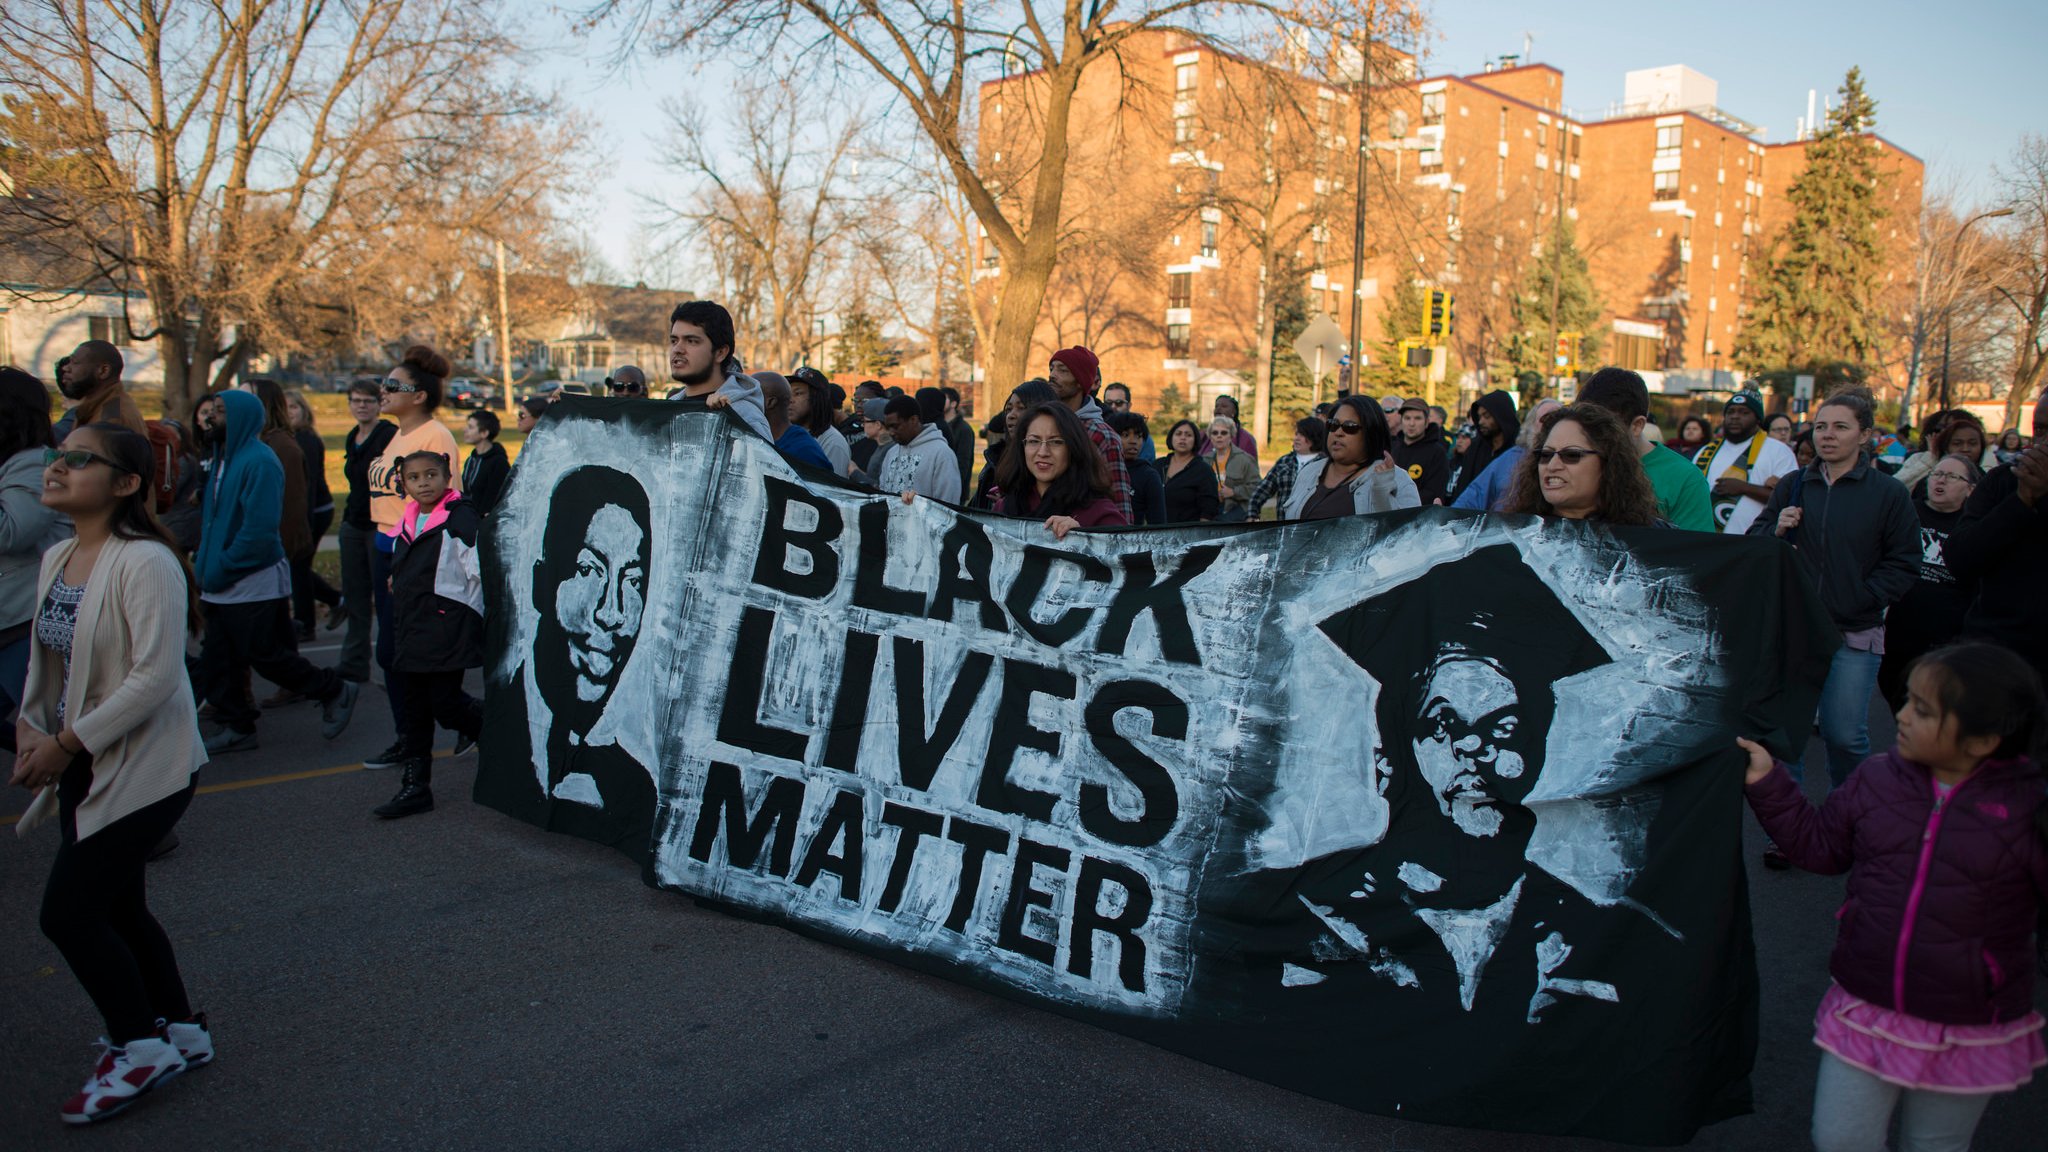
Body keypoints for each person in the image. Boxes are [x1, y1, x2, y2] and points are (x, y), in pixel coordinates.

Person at [1738, 643, 2047, 1152]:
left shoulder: (2028, 811)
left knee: (1937, 1147)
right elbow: (1819, 847)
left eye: (1922, 710)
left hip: (1969, 1023)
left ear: (1984, 739)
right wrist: (1768, 782)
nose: (1899, 716)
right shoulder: (1877, 779)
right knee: (1840, 1139)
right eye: (1906, 701)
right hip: (1868, 1005)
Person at [13, 422, 211, 1125]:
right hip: (83, 760)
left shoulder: (145, 561)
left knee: (68, 914)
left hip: (144, 767)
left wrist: (66, 742)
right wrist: (32, 729)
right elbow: (53, 666)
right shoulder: (59, 555)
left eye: (79, 458)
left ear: (126, 484)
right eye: (56, 455)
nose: (58, 467)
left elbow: (155, 676)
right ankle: (181, 1030)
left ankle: (138, 1046)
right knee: (122, 908)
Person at [473, 466, 656, 857]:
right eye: (588, 570)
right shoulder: (510, 728)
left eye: (633, 580)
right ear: (542, 583)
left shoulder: (635, 781)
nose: (612, 612)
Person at [1751, 393, 1919, 807]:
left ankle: (1853, 815)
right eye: (1821, 426)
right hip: (1795, 630)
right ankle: (1786, 826)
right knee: (1787, 735)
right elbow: (1754, 544)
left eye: (1840, 427)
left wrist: (1866, 599)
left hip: (1854, 631)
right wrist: (1776, 529)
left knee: (1844, 736)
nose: (1827, 435)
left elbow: (1905, 562)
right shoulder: (1793, 485)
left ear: (1865, 435)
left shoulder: (1888, 493)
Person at [193, 390, 361, 754]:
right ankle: (238, 725)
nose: (211, 418)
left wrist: (222, 567)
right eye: (211, 411)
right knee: (218, 658)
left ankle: (333, 688)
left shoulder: (260, 461)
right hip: (217, 580)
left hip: (249, 579)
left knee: (265, 654)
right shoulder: (222, 458)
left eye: (220, 412)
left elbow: (258, 530)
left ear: (243, 418)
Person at [361, 346, 462, 771]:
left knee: (400, 652)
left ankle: (459, 724)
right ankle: (409, 737)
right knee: (391, 652)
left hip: (414, 554)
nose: (383, 390)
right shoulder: (395, 436)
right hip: (384, 546)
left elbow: (443, 504)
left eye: (393, 385)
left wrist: (412, 561)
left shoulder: (434, 437)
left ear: (418, 395)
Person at [374, 451, 485, 819]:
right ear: (403, 484)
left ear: (447, 475)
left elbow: (479, 569)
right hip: (410, 625)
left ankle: (489, 729)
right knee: (414, 708)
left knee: (445, 704)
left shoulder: (459, 516)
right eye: (414, 477)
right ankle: (415, 786)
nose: (424, 483)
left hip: (443, 625)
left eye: (431, 475)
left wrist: (471, 611)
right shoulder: (408, 519)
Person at [1943, 394, 2048, 685]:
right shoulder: (2003, 480)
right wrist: (2023, 499)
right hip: (1995, 652)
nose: (2042, 442)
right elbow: (1959, 558)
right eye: (2039, 430)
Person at [0, 368, 71, 753]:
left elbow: (13, 530)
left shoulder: (33, 462)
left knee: (48, 723)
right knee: (42, 728)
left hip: (24, 617)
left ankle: (67, 774)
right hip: (10, 616)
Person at [1877, 454, 1979, 714]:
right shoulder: (1908, 512)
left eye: (1952, 476)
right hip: (1900, 624)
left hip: (1950, 633)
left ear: (1970, 489)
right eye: (1937, 474)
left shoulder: (1975, 526)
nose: (1941, 480)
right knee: (1894, 689)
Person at [1575, 368, 1714, 531]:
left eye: (1602, 429)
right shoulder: (1567, 460)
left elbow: (1695, 551)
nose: (1589, 437)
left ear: (1637, 425)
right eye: (1583, 426)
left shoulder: (1686, 479)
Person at [1500, 404, 1661, 526]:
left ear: (1609, 464)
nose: (1552, 465)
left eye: (1571, 455)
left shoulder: (1651, 542)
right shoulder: (1508, 536)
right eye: (1545, 455)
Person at [986, 403, 1130, 538]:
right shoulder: (1004, 508)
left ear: (1074, 448)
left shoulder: (1100, 513)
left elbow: (1122, 559)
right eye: (1034, 441)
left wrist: (1084, 538)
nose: (1043, 452)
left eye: (1056, 442)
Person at [336, 381, 396, 684]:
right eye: (356, 400)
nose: (362, 405)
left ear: (379, 403)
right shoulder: (352, 437)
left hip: (379, 527)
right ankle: (353, 666)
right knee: (355, 597)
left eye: (368, 400)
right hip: (353, 523)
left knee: (386, 600)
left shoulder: (388, 435)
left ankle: (392, 665)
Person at [1283, 397, 1419, 520]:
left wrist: (1382, 490)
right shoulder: (1309, 472)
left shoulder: (1398, 479)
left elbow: (1406, 536)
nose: (1338, 432)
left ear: (1371, 433)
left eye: (1350, 427)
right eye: (1333, 424)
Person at [1045, 346, 1133, 522]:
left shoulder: (1103, 436)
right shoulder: (1040, 425)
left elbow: (1120, 502)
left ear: (1080, 381)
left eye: (1062, 370)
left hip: (1079, 535)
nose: (1053, 375)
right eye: (1052, 368)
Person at [1694, 390, 1800, 535]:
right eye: (1731, 412)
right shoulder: (1706, 452)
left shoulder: (1779, 451)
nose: (1735, 417)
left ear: (1757, 419)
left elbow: (1789, 498)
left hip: (1755, 541)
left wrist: (1745, 488)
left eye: (1744, 412)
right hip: (1707, 540)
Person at [664, 300, 771, 439]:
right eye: (674, 341)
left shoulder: (743, 416)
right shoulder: (668, 411)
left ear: (720, 352)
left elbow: (762, 460)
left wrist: (729, 421)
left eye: (691, 341)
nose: (677, 349)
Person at [285, 389, 340, 641]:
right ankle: (337, 599)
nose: (289, 412)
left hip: (315, 510)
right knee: (297, 568)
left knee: (298, 567)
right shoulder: (288, 437)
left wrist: (303, 524)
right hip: (304, 511)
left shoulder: (305, 439)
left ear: (304, 411)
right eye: (284, 407)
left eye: (294, 407)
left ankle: (305, 625)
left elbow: (307, 484)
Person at [1451, 397, 1560, 513]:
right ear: (1531, 426)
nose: (1553, 424)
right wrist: (1446, 518)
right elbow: (1474, 496)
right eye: (1546, 418)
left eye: (1558, 418)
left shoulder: (1573, 461)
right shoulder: (1511, 459)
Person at [973, 382, 1058, 510]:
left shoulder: (1051, 460)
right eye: (1008, 409)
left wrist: (1009, 504)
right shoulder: (997, 456)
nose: (1011, 415)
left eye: (1021, 408)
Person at [872, 395, 962, 502]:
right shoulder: (892, 452)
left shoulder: (941, 454)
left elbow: (949, 503)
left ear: (913, 420)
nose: (891, 432)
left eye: (895, 426)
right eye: (888, 427)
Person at [55, 341, 147, 436]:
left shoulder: (111, 417)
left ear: (103, 371)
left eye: (75, 362)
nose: (65, 368)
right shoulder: (103, 404)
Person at [1894, 411, 1993, 495]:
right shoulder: (1919, 458)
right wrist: (1931, 459)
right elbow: (1893, 489)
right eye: (1940, 429)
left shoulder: (1987, 460)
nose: (1965, 448)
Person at [1446, 390, 1520, 505]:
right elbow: (1464, 486)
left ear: (1501, 415)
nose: (1481, 422)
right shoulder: (1476, 447)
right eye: (1479, 417)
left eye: (1486, 416)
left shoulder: (1518, 449)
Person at [756, 371, 834, 472]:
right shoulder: (763, 436)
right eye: (790, 393)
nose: (791, 399)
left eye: (798, 393)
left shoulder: (806, 451)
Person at [1248, 416, 1324, 520]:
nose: (1297, 438)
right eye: (1296, 434)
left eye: (1302, 435)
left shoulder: (1325, 464)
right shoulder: (1284, 462)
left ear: (1314, 437)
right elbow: (1262, 490)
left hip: (1312, 526)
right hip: (1283, 526)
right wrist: (1252, 514)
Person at [1107, 410, 1166, 526]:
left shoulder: (1149, 476)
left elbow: (1159, 523)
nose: (1133, 441)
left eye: (1138, 436)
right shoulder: (1100, 470)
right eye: (1125, 435)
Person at [788, 366, 850, 475]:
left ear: (817, 398)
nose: (790, 400)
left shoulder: (833, 442)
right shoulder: (788, 435)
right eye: (788, 394)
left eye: (798, 393)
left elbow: (833, 489)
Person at [1389, 397, 1450, 505]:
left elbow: (1434, 492)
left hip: (1419, 515)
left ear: (1426, 423)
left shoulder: (1437, 453)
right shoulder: (1392, 448)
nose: (1411, 424)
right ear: (1401, 421)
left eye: (1417, 418)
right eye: (1407, 418)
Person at [1159, 419, 1220, 523]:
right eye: (1178, 434)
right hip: (1154, 531)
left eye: (1188, 435)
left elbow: (1209, 508)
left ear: (1195, 440)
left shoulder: (1203, 470)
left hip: (1187, 532)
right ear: (1171, 438)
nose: (1183, 438)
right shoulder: (1158, 465)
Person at [1208, 416, 1260, 522]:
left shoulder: (1245, 459)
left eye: (1224, 433)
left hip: (1234, 516)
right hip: (1210, 513)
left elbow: (1258, 488)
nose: (1219, 436)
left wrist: (1234, 492)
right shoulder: (1204, 459)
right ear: (1210, 437)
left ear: (1231, 435)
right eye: (1215, 433)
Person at [459, 409, 511, 515]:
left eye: (470, 427)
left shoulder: (498, 463)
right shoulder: (471, 460)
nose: (465, 430)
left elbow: (495, 499)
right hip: (468, 520)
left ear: (484, 433)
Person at [938, 386, 976, 496]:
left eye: (944, 399)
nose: (940, 402)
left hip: (956, 491)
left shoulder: (964, 429)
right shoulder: (938, 426)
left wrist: (954, 487)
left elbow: (963, 463)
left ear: (953, 404)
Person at [1102, 382, 1155, 461]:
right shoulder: (1098, 428)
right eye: (1108, 403)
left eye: (1119, 403)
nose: (1113, 407)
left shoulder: (1141, 435)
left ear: (1129, 405)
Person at [849, 398, 887, 478]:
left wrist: (855, 472)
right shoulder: (881, 447)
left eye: (865, 421)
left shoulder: (888, 451)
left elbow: (880, 487)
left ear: (878, 425)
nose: (863, 425)